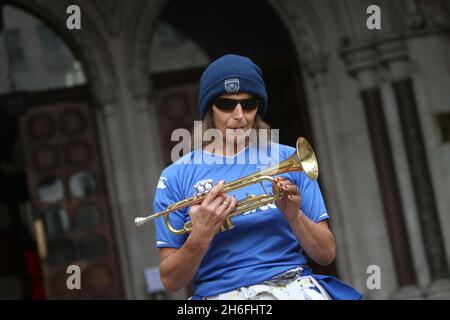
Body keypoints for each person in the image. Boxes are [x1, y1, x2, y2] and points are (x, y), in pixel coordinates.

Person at [153, 54, 361, 300]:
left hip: (292, 286)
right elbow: (171, 280)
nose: (239, 115)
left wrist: (295, 216)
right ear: (210, 108)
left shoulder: (290, 159)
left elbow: (325, 254)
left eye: (248, 104)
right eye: (227, 104)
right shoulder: (174, 177)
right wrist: (201, 234)